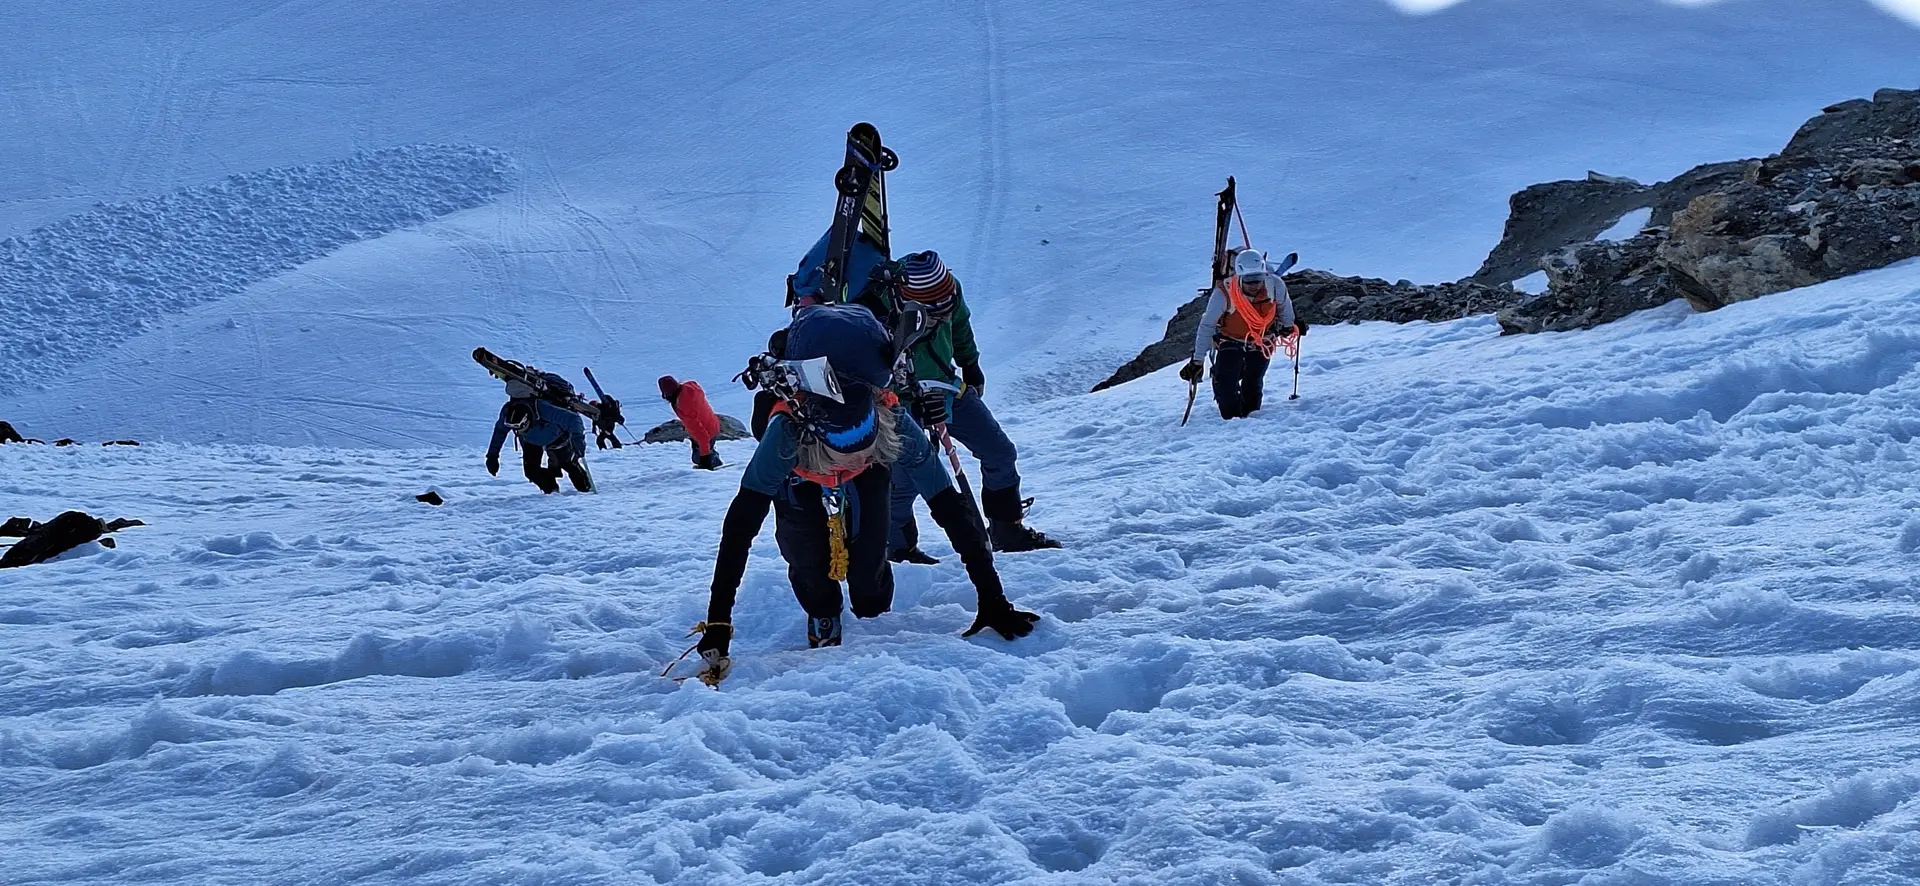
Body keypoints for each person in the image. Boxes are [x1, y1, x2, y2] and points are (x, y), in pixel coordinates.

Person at [691, 303, 1038, 685]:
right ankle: (823, 612)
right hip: (802, 474)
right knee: (805, 554)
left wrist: (992, 596)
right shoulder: (785, 435)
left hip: (866, 458)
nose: (855, 459)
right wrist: (719, 623)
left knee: (871, 554)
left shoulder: (892, 420)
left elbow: (948, 506)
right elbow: (739, 529)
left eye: (863, 452)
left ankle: (873, 614)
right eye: (845, 456)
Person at [870, 251, 1060, 564]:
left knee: (999, 452)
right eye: (934, 310)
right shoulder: (877, 306)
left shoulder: (948, 287)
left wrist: (970, 365)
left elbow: (959, 324)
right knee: (905, 479)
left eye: (946, 303)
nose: (943, 312)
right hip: (898, 401)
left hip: (946, 387)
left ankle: (1007, 528)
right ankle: (898, 549)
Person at [1182, 248, 1304, 420]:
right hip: (1230, 341)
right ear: (1239, 277)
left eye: (1258, 279)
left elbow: (1285, 308)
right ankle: (1232, 419)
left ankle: (1249, 420)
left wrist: (1289, 325)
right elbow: (1207, 325)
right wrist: (1197, 360)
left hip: (1262, 342)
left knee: (1253, 384)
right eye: (1248, 281)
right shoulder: (1224, 293)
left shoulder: (1275, 285)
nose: (1254, 285)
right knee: (1226, 384)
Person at [485, 397, 593, 493]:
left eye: (519, 427)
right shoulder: (508, 412)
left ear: (526, 421)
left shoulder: (542, 408)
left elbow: (574, 419)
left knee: (567, 464)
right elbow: (500, 431)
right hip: (531, 439)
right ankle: (551, 492)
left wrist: (577, 439)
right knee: (531, 471)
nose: (517, 431)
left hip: (556, 435)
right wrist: (492, 456)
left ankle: (586, 491)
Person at [659, 376, 724, 470]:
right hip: (713, 423)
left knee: (698, 458)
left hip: (707, 432)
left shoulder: (683, 406)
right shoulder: (690, 387)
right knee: (702, 449)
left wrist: (705, 458)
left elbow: (701, 434)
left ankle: (713, 461)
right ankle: (711, 455)